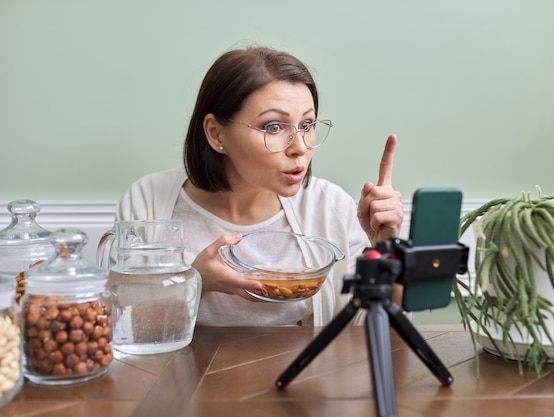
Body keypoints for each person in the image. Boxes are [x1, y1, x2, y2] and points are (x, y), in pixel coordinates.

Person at [114, 46, 404, 326]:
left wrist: (386, 249)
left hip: (307, 376)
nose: (300, 147)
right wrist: (194, 281)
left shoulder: (331, 207)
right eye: (273, 127)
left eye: (307, 124)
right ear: (216, 133)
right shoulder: (148, 201)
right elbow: (118, 322)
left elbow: (373, 335)